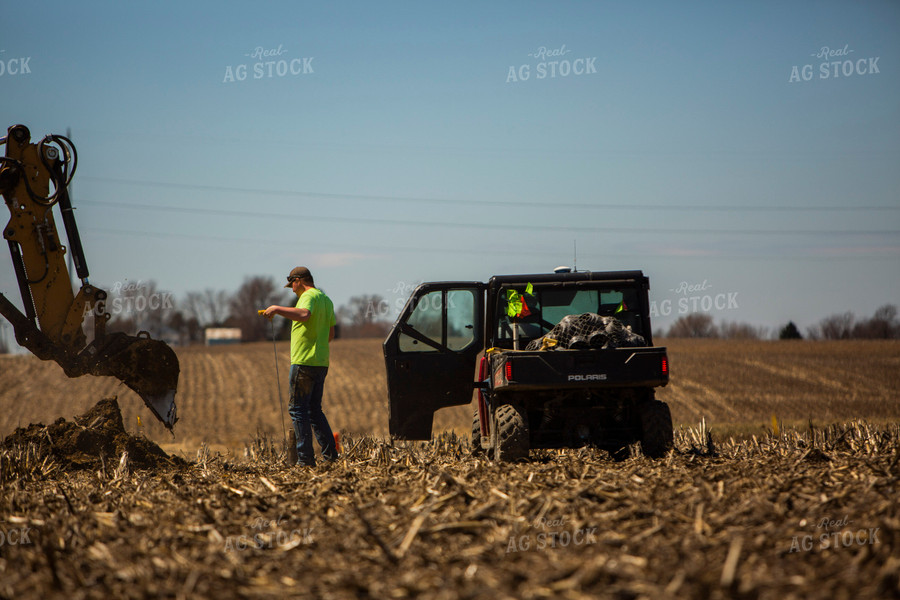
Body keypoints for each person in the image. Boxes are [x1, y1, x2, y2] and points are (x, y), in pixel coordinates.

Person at [263, 266, 338, 466]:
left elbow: (304, 314)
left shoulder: (308, 296)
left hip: (303, 362)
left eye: (292, 285)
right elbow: (330, 335)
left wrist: (277, 309)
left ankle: (305, 460)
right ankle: (331, 456)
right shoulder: (326, 300)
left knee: (298, 409)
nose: (292, 290)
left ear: (298, 280)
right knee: (314, 410)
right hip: (321, 363)